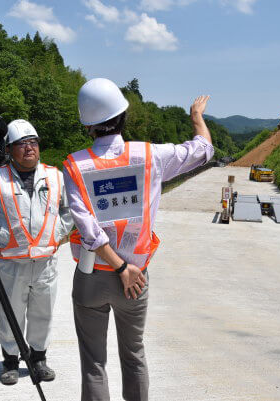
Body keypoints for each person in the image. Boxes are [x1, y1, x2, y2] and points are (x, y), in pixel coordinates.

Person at [62, 78, 214, 401]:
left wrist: (117, 267)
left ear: (88, 125)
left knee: (93, 364)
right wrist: (197, 118)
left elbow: (87, 228)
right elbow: (203, 150)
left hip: (92, 277)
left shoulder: (75, 165)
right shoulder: (149, 156)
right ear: (123, 116)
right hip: (135, 279)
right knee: (133, 357)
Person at [0, 119, 74, 385]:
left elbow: (69, 210)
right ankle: (9, 362)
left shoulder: (55, 177)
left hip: (45, 261)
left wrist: (57, 233)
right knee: (11, 313)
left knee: (43, 312)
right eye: (21, 144)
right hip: (10, 262)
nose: (29, 148)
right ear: (9, 149)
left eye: (33, 143)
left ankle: (39, 359)